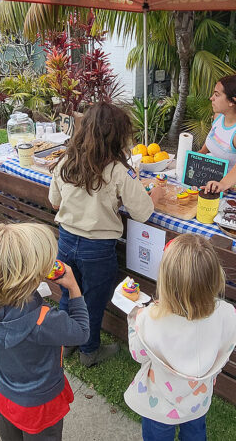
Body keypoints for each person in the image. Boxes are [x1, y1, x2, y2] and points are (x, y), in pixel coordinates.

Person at [48, 102, 163, 367]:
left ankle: (66, 344)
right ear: (117, 136)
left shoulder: (67, 160)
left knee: (67, 294)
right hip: (97, 249)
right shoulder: (119, 171)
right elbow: (143, 213)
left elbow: (54, 201)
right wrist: (154, 193)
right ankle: (89, 351)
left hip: (66, 240)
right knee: (93, 301)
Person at [0, 223, 90, 441]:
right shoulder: (44, 320)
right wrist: (73, 288)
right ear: (29, 278)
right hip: (40, 404)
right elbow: (82, 333)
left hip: (6, 393)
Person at [124, 234, 236, 441]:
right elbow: (224, 346)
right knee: (195, 434)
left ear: (166, 281)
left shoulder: (150, 318)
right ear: (215, 277)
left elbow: (138, 354)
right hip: (198, 400)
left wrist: (134, 319)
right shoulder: (227, 312)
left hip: (159, 404)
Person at [199, 75, 236, 193]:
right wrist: (202, 152)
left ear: (232, 101)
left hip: (229, 188)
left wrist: (223, 184)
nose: (211, 98)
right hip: (212, 178)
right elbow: (213, 135)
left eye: (217, 95)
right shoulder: (218, 117)